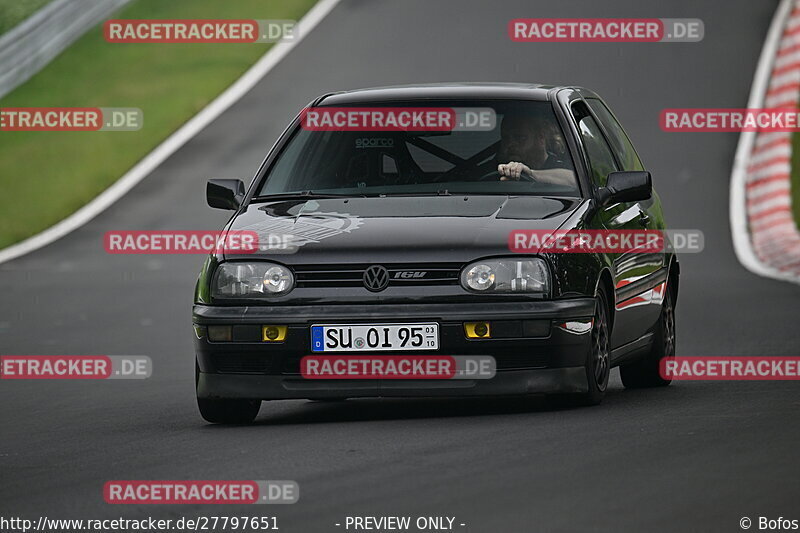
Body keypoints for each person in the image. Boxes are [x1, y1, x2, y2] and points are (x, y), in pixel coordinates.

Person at [495, 111, 573, 185]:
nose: (510, 144)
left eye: (520, 138)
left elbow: (574, 180)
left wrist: (531, 174)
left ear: (541, 137)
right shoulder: (496, 167)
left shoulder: (563, 166)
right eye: (506, 138)